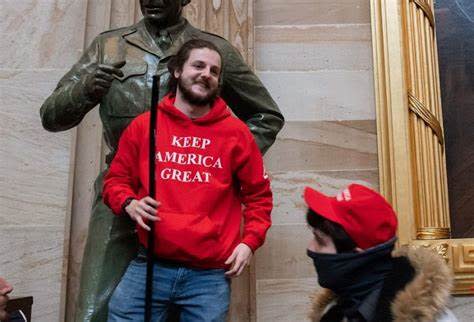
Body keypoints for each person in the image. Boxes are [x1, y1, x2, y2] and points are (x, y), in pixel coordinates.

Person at [39, 1, 283, 320]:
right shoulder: (110, 45)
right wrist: (86, 88)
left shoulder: (211, 51)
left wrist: (218, 161)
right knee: (93, 311)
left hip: (186, 202)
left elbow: (266, 115)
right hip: (120, 197)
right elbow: (51, 116)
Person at [103, 39, 272, 321]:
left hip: (209, 275)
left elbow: (259, 196)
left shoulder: (237, 134)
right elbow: (115, 181)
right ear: (178, 71)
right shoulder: (145, 125)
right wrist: (129, 203)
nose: (206, 74)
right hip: (150, 265)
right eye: (198, 65)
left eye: (214, 70)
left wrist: (249, 242)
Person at [303, 184, 458, 322]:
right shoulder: (336, 312)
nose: (310, 249)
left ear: (357, 254)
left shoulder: (432, 319)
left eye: (320, 241)